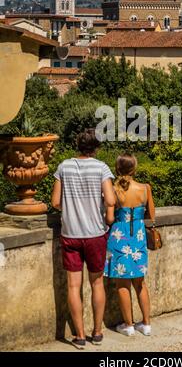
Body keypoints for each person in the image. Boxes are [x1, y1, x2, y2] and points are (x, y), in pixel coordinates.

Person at [51, 130, 115, 349]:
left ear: (77, 145)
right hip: (95, 234)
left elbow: (55, 201)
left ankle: (78, 336)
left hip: (70, 234)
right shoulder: (101, 168)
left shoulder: (64, 167)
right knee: (97, 283)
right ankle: (96, 332)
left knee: (72, 286)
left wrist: (71, 207)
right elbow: (111, 198)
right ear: (96, 148)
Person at [104, 153, 155, 337]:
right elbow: (151, 214)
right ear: (134, 168)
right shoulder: (145, 188)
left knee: (122, 283)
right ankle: (147, 324)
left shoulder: (114, 190)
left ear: (117, 169)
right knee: (140, 282)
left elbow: (109, 219)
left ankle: (129, 325)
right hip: (138, 235)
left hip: (119, 237)